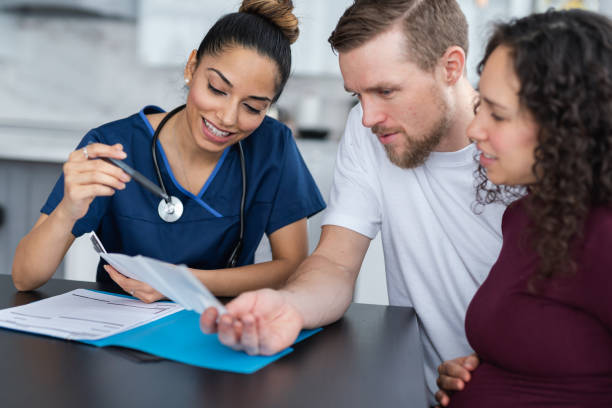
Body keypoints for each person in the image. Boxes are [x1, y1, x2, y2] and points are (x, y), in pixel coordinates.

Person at [201, 0, 506, 402]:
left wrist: (513, 369)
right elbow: (335, 262)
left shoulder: (518, 148)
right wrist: (289, 306)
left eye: (386, 91)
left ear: (450, 67)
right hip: (424, 394)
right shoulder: (368, 136)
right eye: (357, 95)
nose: (367, 117)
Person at [11, 0, 325, 301]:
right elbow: (25, 278)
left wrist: (182, 282)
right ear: (192, 67)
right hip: (117, 333)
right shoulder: (114, 146)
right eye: (217, 89)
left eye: (253, 107)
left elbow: (292, 268)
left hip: (219, 331)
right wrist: (67, 210)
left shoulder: (273, 145)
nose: (228, 118)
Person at [434, 9, 612, 407]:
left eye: (497, 114)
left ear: (568, 125)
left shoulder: (604, 235)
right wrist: (485, 373)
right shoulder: (529, 214)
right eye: (480, 105)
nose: (474, 129)